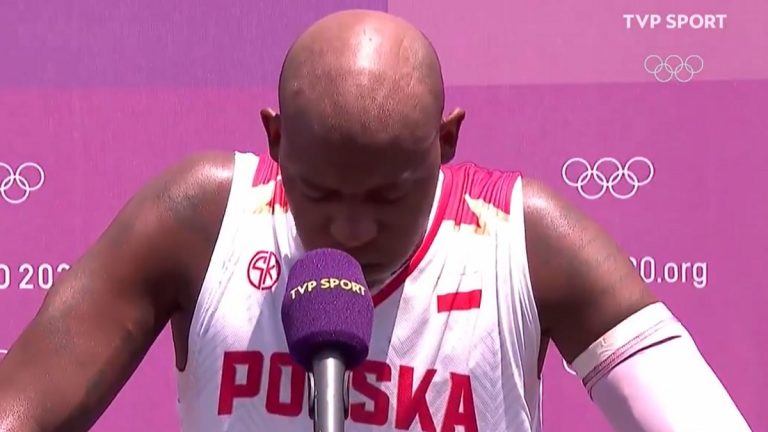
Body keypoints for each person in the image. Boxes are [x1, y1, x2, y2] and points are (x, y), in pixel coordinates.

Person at [0, 9, 751, 432]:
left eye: (389, 197)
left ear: (446, 142)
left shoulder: (528, 243)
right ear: (275, 140)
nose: (352, 230)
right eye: (320, 193)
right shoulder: (199, 220)